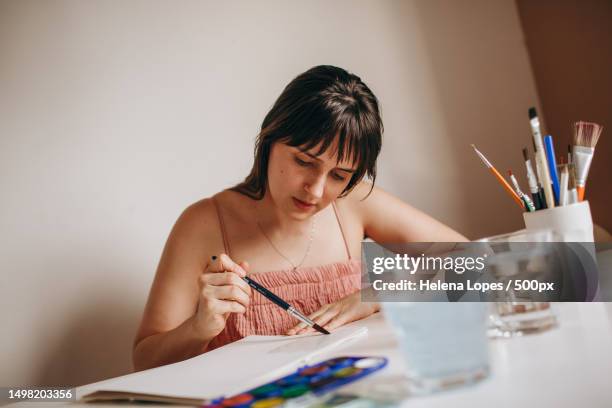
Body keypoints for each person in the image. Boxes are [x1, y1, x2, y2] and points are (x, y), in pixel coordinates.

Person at [132, 65, 467, 371]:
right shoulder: (204, 223)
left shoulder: (355, 202)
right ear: (270, 137)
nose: (316, 189)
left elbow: (497, 269)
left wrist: (384, 293)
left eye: (338, 175)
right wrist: (199, 328)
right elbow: (144, 362)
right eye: (304, 162)